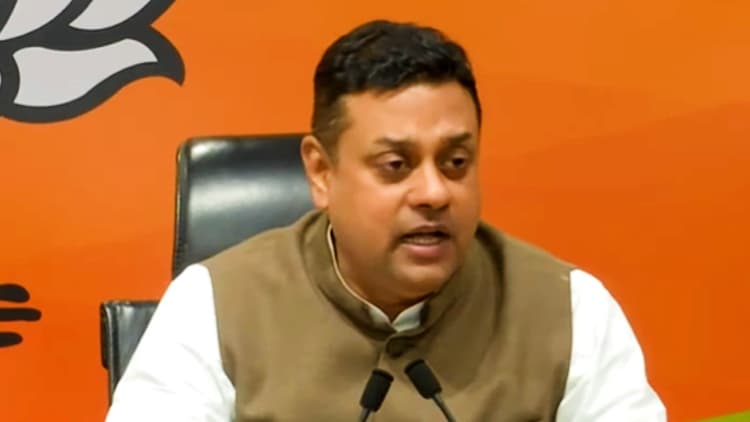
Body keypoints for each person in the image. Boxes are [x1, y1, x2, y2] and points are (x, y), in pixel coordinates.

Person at [105, 19, 666, 421]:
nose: (434, 193)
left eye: (456, 163)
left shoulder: (569, 309)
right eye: (396, 166)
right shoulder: (214, 306)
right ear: (321, 172)